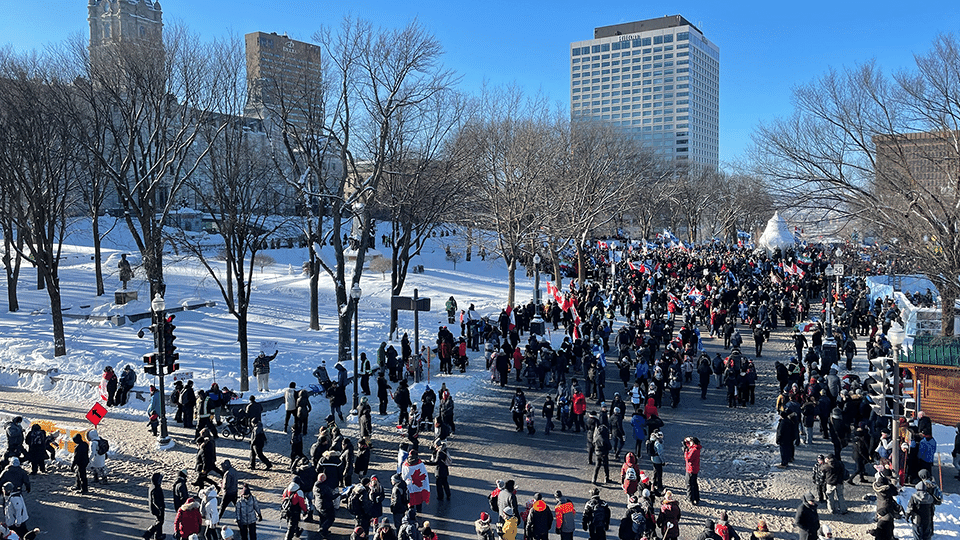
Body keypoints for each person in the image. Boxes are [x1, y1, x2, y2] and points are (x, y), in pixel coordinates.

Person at [144, 472, 165, 540]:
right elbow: (155, 501)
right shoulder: (156, 488)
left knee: (159, 521)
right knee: (159, 522)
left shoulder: (153, 486)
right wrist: (160, 508)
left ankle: (158, 535)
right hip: (157, 509)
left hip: (155, 508)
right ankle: (149, 533)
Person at [683, 436, 702, 505]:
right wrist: (686, 441)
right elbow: (689, 445)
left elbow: (688, 459)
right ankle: (696, 498)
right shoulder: (696, 448)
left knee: (689, 484)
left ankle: (690, 498)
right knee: (694, 484)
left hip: (690, 469)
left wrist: (685, 451)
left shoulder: (694, 450)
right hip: (695, 469)